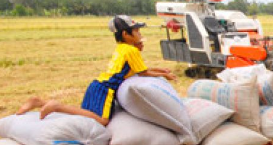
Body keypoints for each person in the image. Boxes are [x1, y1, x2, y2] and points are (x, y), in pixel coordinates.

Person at [17, 15, 176, 126]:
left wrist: (161, 70)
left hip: (97, 85)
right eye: (137, 31)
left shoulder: (122, 48)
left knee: (85, 115)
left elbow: (139, 69)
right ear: (126, 34)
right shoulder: (131, 51)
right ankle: (56, 106)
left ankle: (39, 102)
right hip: (106, 90)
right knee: (102, 121)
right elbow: (143, 73)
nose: (140, 34)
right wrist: (165, 75)